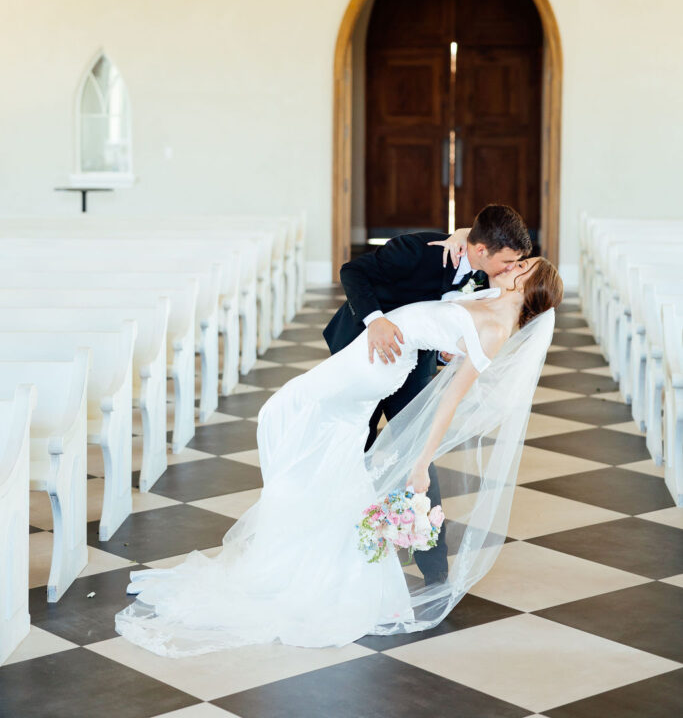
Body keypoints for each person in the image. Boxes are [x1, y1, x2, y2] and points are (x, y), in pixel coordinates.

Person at [115, 255, 562, 657]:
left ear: (530, 287)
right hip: (377, 358)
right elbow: (451, 305)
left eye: (524, 268)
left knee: (281, 411)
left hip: (377, 366)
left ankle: (294, 528)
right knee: (323, 442)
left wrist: (421, 463)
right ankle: (315, 548)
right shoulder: (490, 300)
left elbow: (449, 403)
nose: (513, 266)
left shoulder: (498, 327)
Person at [323, 203, 533, 583]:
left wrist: (442, 352)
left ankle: (435, 571)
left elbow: (447, 322)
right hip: (364, 352)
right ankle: (343, 550)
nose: (511, 268)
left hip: (413, 364)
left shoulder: (492, 280)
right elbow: (353, 271)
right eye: (508, 260)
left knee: (417, 449)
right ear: (482, 249)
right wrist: (376, 321)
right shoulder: (420, 250)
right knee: (355, 445)